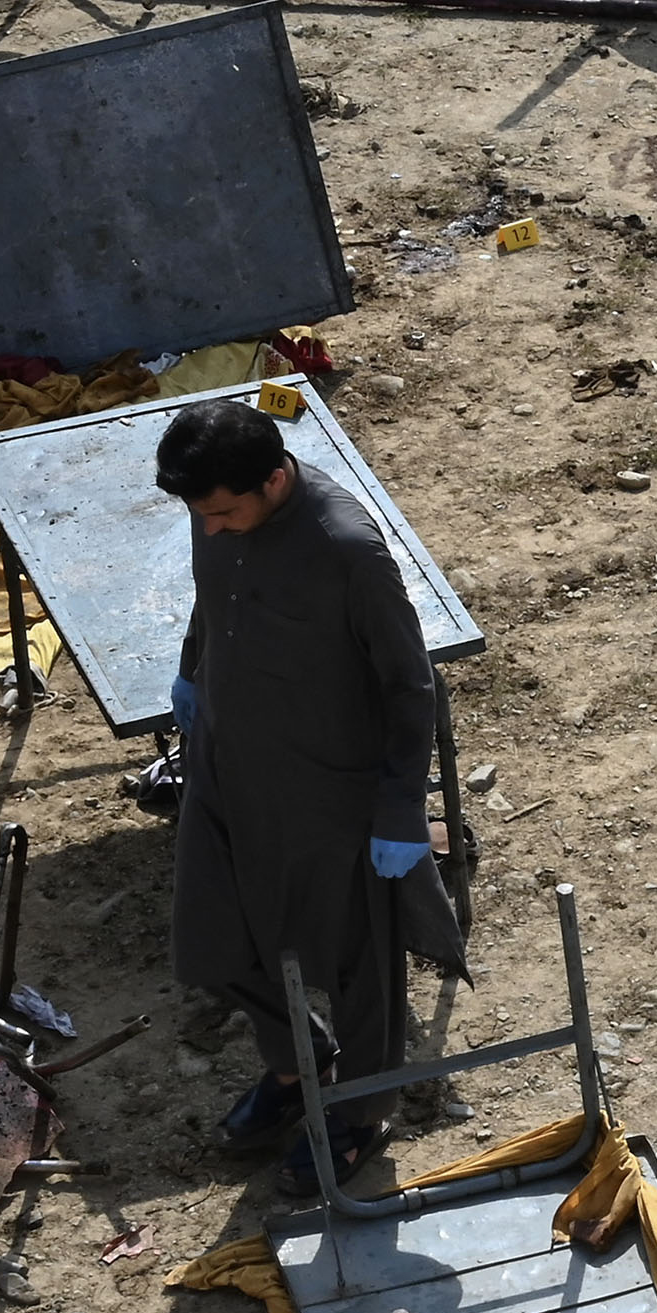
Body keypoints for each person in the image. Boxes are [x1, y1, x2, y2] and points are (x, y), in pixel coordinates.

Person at [159, 399, 450, 1196]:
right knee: (215, 939)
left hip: (329, 784)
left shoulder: (346, 550)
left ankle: (359, 1109)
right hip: (227, 763)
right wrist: (193, 666)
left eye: (224, 512)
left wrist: (399, 812)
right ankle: (296, 1063)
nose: (211, 528)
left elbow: (408, 686)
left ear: (276, 478)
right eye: (200, 515)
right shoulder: (216, 511)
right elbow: (210, 592)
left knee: (358, 964)